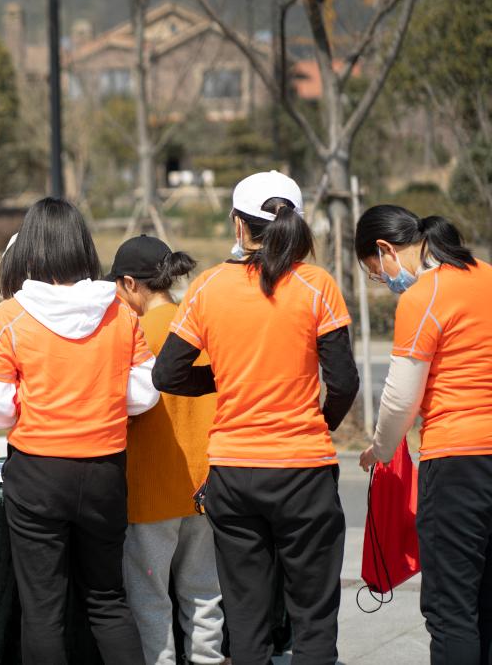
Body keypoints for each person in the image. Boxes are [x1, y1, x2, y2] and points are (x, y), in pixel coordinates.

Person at [152, 171, 359, 664]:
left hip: (234, 473)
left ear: (238, 225)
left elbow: (167, 374)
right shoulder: (316, 285)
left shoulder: (208, 287)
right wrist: (320, 423)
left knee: (246, 620)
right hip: (304, 470)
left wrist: (226, 377)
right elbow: (345, 382)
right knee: (313, 618)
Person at [0, 197, 160, 665]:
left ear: (30, 248)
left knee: (43, 612)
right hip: (105, 471)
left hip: (37, 474)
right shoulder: (120, 312)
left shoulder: (11, 316)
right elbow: (144, 394)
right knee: (108, 600)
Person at [354, 205, 492, 665]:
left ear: (386, 249)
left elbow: (400, 397)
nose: (384, 280)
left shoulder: (424, 296)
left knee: (452, 608)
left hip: (457, 460)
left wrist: (381, 448)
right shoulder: (488, 276)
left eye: (377, 272)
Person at [110, 235, 225, 665]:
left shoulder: (134, 333)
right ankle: (208, 659)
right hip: (205, 484)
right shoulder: (199, 327)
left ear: (130, 284)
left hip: (151, 488)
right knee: (205, 593)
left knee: (150, 596)